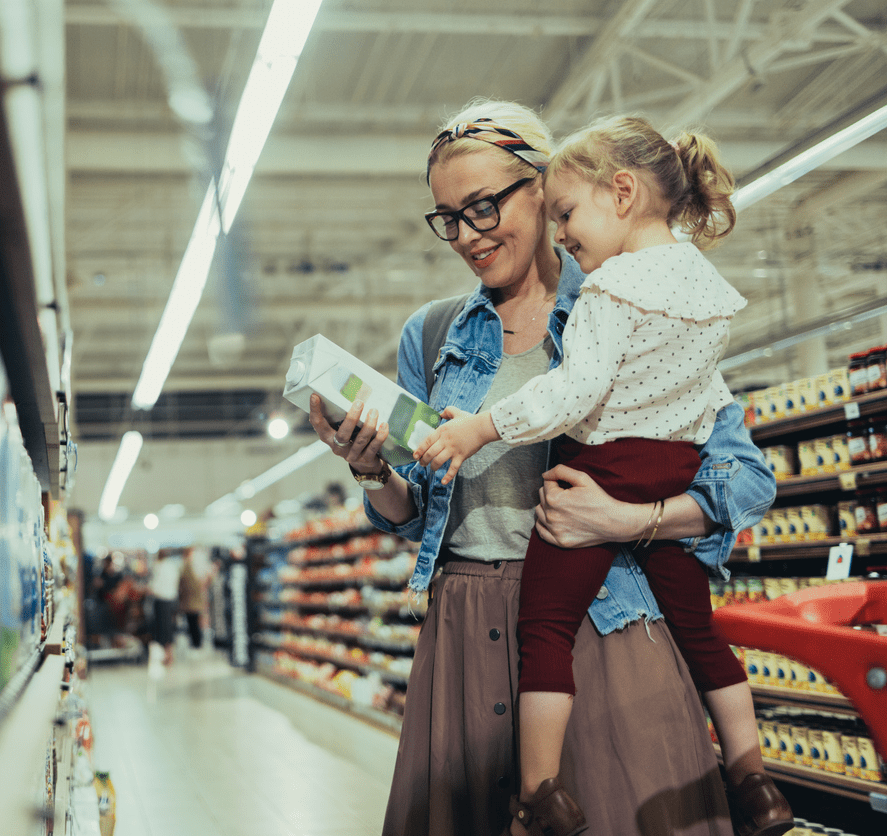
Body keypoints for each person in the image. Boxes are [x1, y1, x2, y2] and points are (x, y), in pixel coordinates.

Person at [307, 99, 779, 836]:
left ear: (544, 185)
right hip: (464, 629)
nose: (466, 234)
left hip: (607, 618)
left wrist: (633, 520)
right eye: (447, 217)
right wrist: (370, 471)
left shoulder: (628, 299)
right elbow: (416, 512)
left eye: (484, 205)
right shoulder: (431, 334)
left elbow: (747, 481)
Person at [149, 548, 182, 665]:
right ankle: (169, 655)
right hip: (172, 601)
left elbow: (154, 586)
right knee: (170, 628)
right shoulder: (172, 566)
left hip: (161, 600)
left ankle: (167, 656)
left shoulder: (158, 566)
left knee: (163, 629)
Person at [178, 548, 205, 650]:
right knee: (193, 624)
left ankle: (196, 643)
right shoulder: (189, 567)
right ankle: (196, 643)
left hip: (191, 603)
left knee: (193, 624)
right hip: (192, 602)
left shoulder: (188, 567)